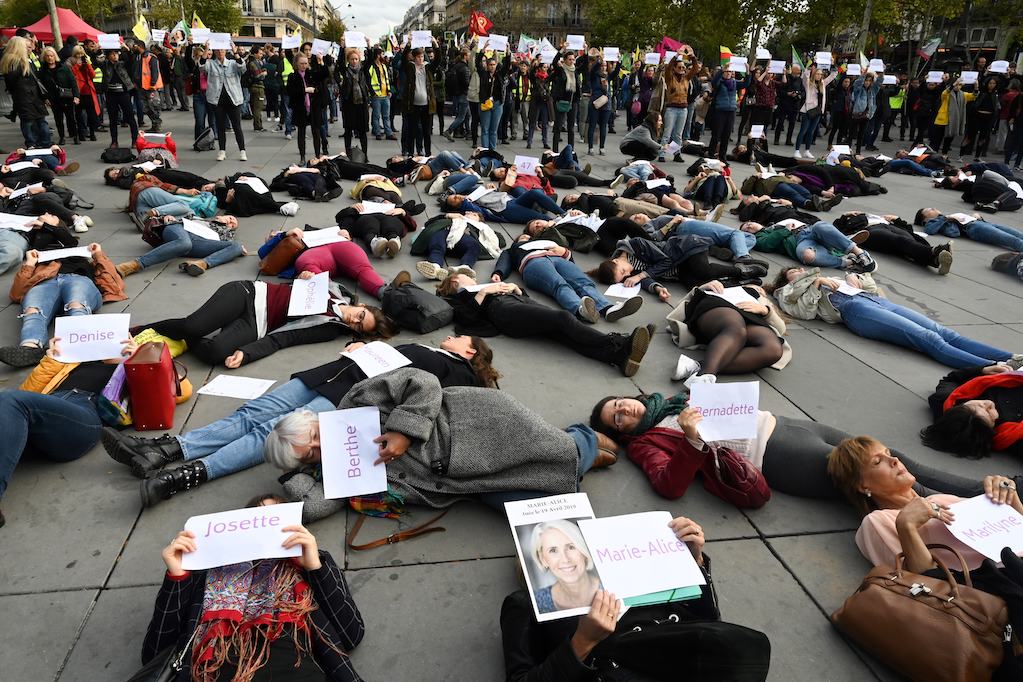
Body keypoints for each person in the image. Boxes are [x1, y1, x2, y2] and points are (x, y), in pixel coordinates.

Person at [103, 338, 494, 501]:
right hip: (333, 373)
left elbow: (429, 397)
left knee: (270, 433)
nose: (454, 337)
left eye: (462, 338)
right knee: (252, 412)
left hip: (354, 399)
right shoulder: (430, 349)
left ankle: (185, 475)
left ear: (471, 350)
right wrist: (362, 347)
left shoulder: (458, 372)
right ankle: (168, 449)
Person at [268, 367, 612, 521]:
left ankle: (581, 441)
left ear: (313, 420)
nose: (319, 446)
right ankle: (577, 455)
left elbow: (423, 382)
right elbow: (313, 508)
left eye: (312, 435)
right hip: (461, 479)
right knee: (533, 506)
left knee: (551, 452)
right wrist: (290, 479)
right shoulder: (335, 474)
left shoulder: (356, 400)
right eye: (309, 454)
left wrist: (404, 431)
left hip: (473, 425)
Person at [589, 391, 990, 505]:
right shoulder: (646, 443)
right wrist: (692, 440)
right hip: (776, 454)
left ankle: (991, 488)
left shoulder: (673, 401)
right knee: (893, 485)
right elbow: (668, 485)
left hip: (788, 425)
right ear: (624, 433)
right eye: (616, 419)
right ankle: (987, 514)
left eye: (619, 403)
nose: (623, 410)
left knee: (898, 461)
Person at [501, 514, 772, 682]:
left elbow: (708, 623)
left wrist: (693, 562)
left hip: (698, 660)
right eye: (552, 550)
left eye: (572, 545)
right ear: (541, 560)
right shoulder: (526, 605)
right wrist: (583, 641)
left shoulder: (632, 571)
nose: (567, 558)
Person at [144, 498, 365, 680]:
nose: (267, 525)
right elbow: (154, 654)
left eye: (276, 517)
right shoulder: (206, 572)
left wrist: (315, 567)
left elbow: (350, 634)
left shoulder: (305, 567)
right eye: (258, 517)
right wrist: (177, 577)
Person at [828, 438, 1023, 585]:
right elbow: (922, 584)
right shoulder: (880, 520)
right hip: (999, 582)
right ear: (863, 486)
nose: (894, 459)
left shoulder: (942, 499)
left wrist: (1009, 498)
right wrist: (906, 526)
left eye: (888, 453)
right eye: (878, 462)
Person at [0, 336, 137, 528]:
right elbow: (25, 394)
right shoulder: (74, 362)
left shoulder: (131, 365)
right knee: (7, 402)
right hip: (44, 414)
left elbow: (178, 393)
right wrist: (51, 360)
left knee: (8, 398)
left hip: (85, 413)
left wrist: (138, 361)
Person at [767, 266, 1020, 368]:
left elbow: (869, 285)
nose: (799, 271)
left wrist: (854, 278)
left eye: (800, 269)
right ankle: (993, 369)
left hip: (874, 300)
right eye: (793, 272)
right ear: (784, 279)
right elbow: (803, 312)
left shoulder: (829, 276)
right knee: (928, 338)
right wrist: (813, 283)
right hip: (855, 311)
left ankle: (1009, 358)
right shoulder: (787, 291)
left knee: (944, 332)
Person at [135, 277, 396, 367]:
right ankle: (143, 329)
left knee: (217, 353)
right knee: (194, 326)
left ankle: (180, 336)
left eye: (359, 327)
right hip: (249, 294)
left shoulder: (328, 329)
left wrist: (246, 354)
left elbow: (284, 338)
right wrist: (304, 275)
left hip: (257, 323)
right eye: (361, 316)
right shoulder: (335, 289)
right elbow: (306, 268)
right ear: (362, 306)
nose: (354, 321)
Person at [437, 272, 651, 376]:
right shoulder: (460, 297)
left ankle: (618, 358)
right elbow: (466, 319)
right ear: (455, 281)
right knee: (564, 318)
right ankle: (619, 343)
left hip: (518, 303)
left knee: (562, 334)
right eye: (466, 276)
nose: (472, 278)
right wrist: (484, 292)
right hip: (505, 313)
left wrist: (515, 288)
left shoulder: (483, 286)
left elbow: (520, 296)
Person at [0, 242, 127, 367]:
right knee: (32, 310)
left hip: (78, 279)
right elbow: (16, 294)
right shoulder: (41, 266)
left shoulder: (86, 262)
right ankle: (30, 347)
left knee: (76, 305)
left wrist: (98, 255)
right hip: (46, 283)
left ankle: (81, 345)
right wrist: (29, 264)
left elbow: (115, 284)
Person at [492, 235, 643, 323]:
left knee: (584, 282)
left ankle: (608, 308)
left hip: (558, 259)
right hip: (533, 263)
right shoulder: (513, 249)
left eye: (527, 236)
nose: (524, 237)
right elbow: (504, 260)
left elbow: (569, 260)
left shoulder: (545, 241)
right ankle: (580, 309)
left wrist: (565, 252)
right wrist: (499, 272)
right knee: (559, 284)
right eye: (521, 238)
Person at [665, 279, 788, 385]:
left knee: (774, 349)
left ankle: (697, 366)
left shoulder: (762, 301)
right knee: (736, 329)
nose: (757, 288)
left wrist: (765, 310)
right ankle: (703, 379)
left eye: (760, 288)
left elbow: (781, 328)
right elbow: (683, 303)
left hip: (750, 320)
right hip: (719, 306)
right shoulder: (724, 284)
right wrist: (703, 287)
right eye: (754, 285)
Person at [591, 235, 769, 295]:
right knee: (697, 288)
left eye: (623, 271)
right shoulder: (626, 271)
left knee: (702, 270)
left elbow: (665, 260)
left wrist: (640, 275)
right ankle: (744, 285)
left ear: (616, 260)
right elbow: (644, 281)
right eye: (622, 277)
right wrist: (657, 288)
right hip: (679, 269)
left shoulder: (636, 245)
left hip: (687, 248)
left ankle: (742, 271)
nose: (627, 274)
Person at [921, 362, 1023, 458]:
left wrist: (982, 370)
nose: (988, 403)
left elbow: (951, 379)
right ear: (990, 430)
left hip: (1009, 369)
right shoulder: (1011, 438)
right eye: (989, 412)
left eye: (978, 404)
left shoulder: (946, 400)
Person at [114, 213, 245, 278]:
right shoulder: (200, 218)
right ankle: (135, 265)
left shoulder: (227, 234)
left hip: (198, 242)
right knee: (184, 243)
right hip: (179, 229)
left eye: (234, 225)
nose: (231, 223)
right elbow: (181, 215)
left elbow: (226, 245)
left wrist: (236, 248)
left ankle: (202, 264)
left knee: (237, 246)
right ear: (221, 215)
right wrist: (168, 217)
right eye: (230, 218)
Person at [832, 211, 954, 274]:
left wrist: (897, 219)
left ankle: (934, 260)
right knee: (900, 241)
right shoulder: (853, 221)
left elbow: (909, 230)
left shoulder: (878, 216)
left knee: (909, 242)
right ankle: (934, 252)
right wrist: (844, 216)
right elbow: (834, 230)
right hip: (870, 231)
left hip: (888, 226)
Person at [740, 219, 876, 272]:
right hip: (801, 241)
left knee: (820, 225)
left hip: (810, 230)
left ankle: (860, 253)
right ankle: (846, 261)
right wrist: (785, 230)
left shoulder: (774, 223)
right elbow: (767, 245)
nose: (749, 226)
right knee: (807, 256)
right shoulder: (758, 237)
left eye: (748, 223)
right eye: (746, 229)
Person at [527, 520, 601, 614]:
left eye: (571, 547)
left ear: (583, 551)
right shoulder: (536, 603)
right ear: (543, 559)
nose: (565, 559)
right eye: (553, 550)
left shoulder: (611, 587)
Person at [1, 37, 51, 147]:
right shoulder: (14, 61)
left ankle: (39, 143)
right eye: (25, 46)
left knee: (37, 121)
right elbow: (12, 81)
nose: (28, 49)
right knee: (31, 122)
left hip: (30, 96)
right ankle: (35, 143)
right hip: (25, 97)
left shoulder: (20, 60)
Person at [203, 43, 247, 162]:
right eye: (217, 50)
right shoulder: (211, 64)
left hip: (233, 99)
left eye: (222, 49)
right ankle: (222, 151)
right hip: (217, 100)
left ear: (226, 51)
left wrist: (236, 53)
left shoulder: (232, 63)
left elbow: (242, 68)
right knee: (220, 126)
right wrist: (206, 50)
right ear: (215, 52)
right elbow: (202, 67)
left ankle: (242, 150)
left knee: (237, 126)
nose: (220, 52)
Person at [914, 207, 1023, 251]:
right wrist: (947, 218)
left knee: (1017, 234)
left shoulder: (944, 217)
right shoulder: (935, 221)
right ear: (925, 219)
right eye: (929, 210)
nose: (933, 208)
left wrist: (975, 216)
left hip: (980, 223)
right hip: (973, 228)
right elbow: (930, 230)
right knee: (1011, 240)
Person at [288, 53, 330, 163]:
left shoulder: (311, 74)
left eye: (306, 63)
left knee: (316, 132)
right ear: (296, 64)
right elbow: (290, 92)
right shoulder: (292, 76)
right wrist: (305, 90)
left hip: (313, 106)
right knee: (301, 132)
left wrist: (321, 61)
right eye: (301, 63)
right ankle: (302, 156)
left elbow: (324, 74)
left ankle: (317, 155)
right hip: (300, 107)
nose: (304, 66)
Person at [442, 187, 565, 224]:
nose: (458, 197)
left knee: (534, 193)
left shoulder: (471, 193)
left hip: (511, 200)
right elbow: (481, 212)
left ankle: (562, 212)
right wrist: (465, 203)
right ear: (457, 206)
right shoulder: (468, 206)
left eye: (455, 195)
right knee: (543, 219)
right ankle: (560, 222)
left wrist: (489, 188)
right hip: (506, 210)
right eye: (455, 200)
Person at [38, 47, 79, 146]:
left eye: (51, 56)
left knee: (71, 118)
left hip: (67, 96)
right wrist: (45, 98)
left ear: (55, 56)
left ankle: (75, 136)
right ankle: (62, 137)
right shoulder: (42, 70)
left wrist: (76, 96)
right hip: (54, 98)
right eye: (47, 56)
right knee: (58, 119)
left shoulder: (63, 67)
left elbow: (72, 81)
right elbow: (41, 86)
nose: (49, 58)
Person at [794, 66, 836, 159]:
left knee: (811, 132)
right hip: (808, 110)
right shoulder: (808, 83)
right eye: (817, 74)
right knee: (803, 131)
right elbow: (805, 75)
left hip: (817, 111)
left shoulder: (822, 83)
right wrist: (810, 66)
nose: (819, 76)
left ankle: (807, 151)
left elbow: (833, 75)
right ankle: (797, 150)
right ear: (814, 74)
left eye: (821, 74)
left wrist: (832, 65)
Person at [339, 46, 370, 157]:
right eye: (352, 59)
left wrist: (368, 46)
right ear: (348, 60)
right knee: (348, 131)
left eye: (356, 59)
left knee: (362, 132)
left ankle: (365, 154)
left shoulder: (362, 71)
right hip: (349, 104)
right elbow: (340, 63)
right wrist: (342, 47)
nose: (354, 61)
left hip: (361, 104)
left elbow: (369, 61)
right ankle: (348, 153)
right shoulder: (345, 71)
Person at [477, 51, 509, 151]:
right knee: (485, 129)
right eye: (490, 65)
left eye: (494, 65)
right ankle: (485, 151)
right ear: (486, 66)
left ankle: (493, 150)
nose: (492, 67)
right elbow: (477, 62)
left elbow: (507, 66)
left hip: (497, 104)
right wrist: (482, 51)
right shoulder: (483, 74)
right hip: (486, 104)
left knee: (493, 130)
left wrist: (508, 53)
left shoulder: (499, 75)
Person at [551, 46, 580, 153]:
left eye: (573, 59)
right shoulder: (560, 70)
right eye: (569, 59)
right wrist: (562, 50)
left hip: (573, 101)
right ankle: (555, 151)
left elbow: (586, 64)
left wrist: (586, 51)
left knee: (571, 128)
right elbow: (554, 62)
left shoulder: (575, 70)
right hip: (562, 101)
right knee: (558, 127)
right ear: (565, 60)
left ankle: (570, 150)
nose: (572, 61)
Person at [69, 47, 101, 142]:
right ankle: (81, 133)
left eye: (81, 54)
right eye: (77, 54)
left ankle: (92, 133)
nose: (79, 56)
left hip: (88, 92)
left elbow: (93, 75)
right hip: (78, 92)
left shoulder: (86, 63)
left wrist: (87, 64)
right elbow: (73, 75)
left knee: (91, 114)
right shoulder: (72, 64)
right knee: (79, 115)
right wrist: (77, 65)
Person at [850, 72, 882, 155]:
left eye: (869, 81)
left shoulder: (872, 91)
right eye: (866, 80)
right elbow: (857, 83)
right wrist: (864, 74)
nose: (867, 82)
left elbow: (878, 83)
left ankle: (858, 152)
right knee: (851, 134)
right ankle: (848, 150)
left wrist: (881, 74)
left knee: (861, 134)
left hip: (867, 115)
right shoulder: (859, 90)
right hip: (857, 113)